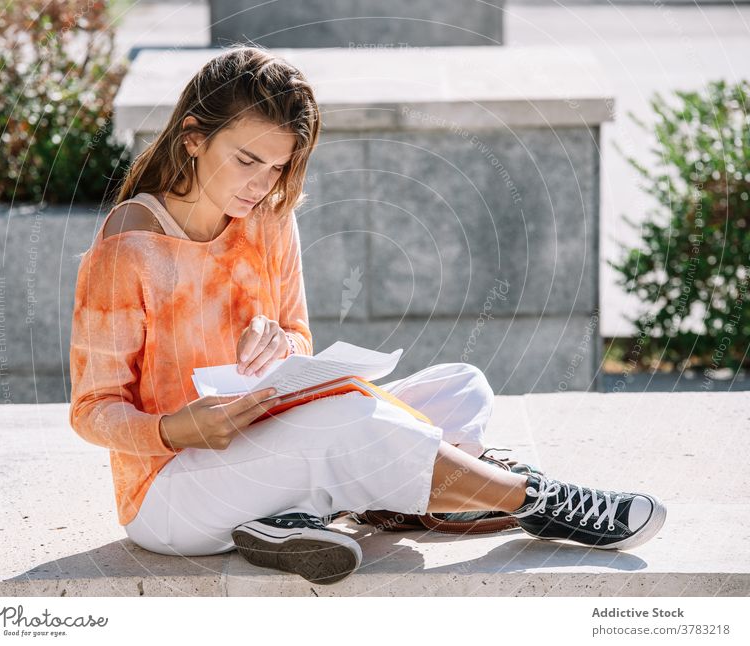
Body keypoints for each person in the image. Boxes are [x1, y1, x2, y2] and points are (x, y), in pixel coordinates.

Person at [69, 45, 667, 587]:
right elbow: (92, 410)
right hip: (171, 494)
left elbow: (298, 339)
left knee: (463, 387)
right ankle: (541, 501)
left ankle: (299, 519)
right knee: (351, 419)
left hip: (262, 444)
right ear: (194, 136)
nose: (261, 184)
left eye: (277, 167)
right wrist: (176, 429)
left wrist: (278, 343)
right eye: (247, 159)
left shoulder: (269, 218)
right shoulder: (128, 251)